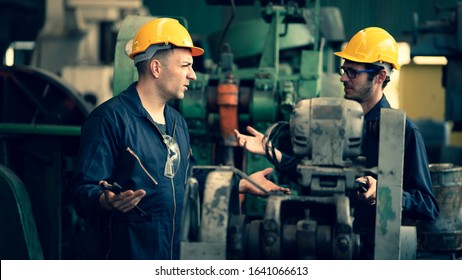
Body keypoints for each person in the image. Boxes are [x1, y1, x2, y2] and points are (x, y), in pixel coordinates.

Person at [70, 17, 289, 260]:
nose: (193, 75)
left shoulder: (176, 122)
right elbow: (82, 188)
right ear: (156, 68)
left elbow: (187, 176)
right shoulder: (109, 120)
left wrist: (241, 183)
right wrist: (104, 200)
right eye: (185, 65)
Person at [235, 27, 439, 259]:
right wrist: (269, 150)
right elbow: (312, 176)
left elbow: (428, 206)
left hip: (367, 255)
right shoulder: (332, 122)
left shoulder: (405, 132)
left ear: (380, 76)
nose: (343, 78)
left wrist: (384, 193)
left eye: (352, 72)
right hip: (320, 244)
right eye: (344, 70)